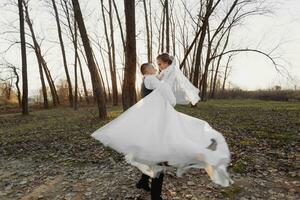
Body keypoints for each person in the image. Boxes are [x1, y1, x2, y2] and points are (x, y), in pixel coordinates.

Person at [92, 53, 233, 199]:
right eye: (153, 67)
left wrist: (168, 70)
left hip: (152, 120)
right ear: (147, 71)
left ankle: (142, 181)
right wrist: (171, 99)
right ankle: (155, 195)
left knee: (151, 153)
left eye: (157, 65)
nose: (156, 68)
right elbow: (166, 91)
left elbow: (161, 80)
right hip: (156, 122)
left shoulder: (147, 80)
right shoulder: (151, 79)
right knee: (159, 156)